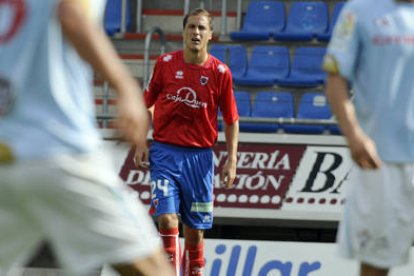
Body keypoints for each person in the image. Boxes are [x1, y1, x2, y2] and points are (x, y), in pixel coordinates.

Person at [0, 0, 174, 275]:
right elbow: (70, 14)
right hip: (58, 150)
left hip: (5, 155)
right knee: (154, 269)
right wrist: (126, 87)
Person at [134, 8, 239, 276]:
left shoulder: (220, 72)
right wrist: (140, 141)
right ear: (183, 32)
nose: (196, 32)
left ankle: (194, 271)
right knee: (167, 219)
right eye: (191, 27)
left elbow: (231, 119)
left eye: (201, 28)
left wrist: (232, 160)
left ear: (210, 35)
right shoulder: (166, 63)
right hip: (165, 153)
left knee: (194, 233)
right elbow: (145, 105)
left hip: (201, 159)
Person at [323, 0, 414, 275]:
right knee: (376, 264)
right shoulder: (359, 10)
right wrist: (354, 136)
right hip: (382, 161)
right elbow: (335, 78)